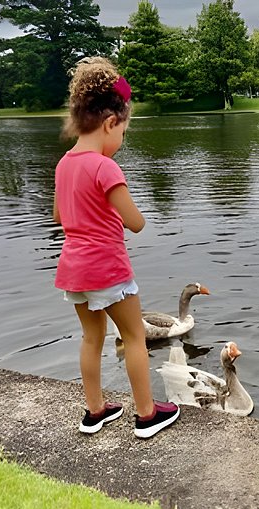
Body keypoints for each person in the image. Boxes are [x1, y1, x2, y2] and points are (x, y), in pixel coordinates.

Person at [52, 57, 179, 438]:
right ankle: (146, 414)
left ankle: (95, 411)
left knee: (92, 338)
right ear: (110, 123)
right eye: (123, 133)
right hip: (107, 267)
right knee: (134, 336)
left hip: (73, 269)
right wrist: (113, 209)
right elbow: (135, 222)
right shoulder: (105, 167)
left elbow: (59, 216)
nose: (121, 142)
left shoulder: (64, 164)